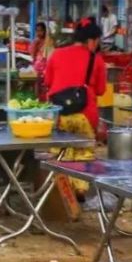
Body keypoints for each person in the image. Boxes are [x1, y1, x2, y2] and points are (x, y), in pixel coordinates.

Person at [44, 17, 107, 192]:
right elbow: (101, 90)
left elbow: (48, 81)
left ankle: (61, 194)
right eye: (97, 41)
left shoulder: (57, 54)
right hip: (85, 114)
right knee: (83, 155)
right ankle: (79, 192)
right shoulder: (97, 60)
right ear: (91, 41)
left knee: (61, 154)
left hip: (60, 114)